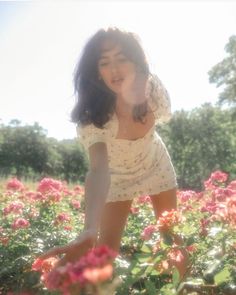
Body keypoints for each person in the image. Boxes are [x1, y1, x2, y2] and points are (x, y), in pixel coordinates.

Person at [40, 27, 188, 278]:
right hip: (116, 178)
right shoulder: (92, 118)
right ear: (97, 73)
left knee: (172, 238)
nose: (115, 69)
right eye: (105, 63)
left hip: (155, 164)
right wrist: (89, 229)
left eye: (122, 58)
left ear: (137, 62)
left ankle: (182, 289)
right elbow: (98, 170)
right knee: (104, 252)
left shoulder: (153, 91)